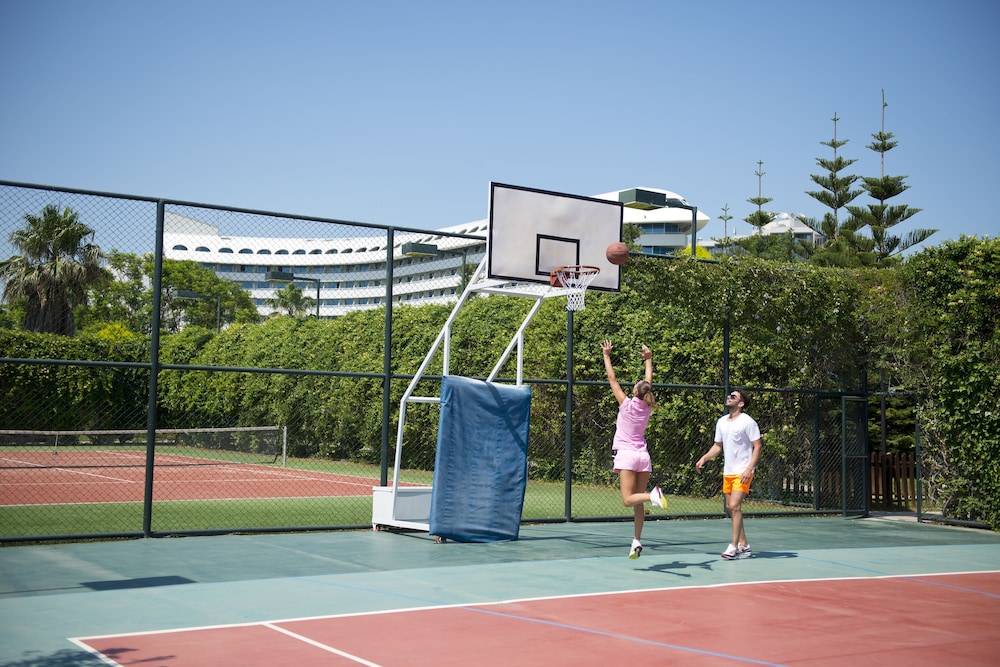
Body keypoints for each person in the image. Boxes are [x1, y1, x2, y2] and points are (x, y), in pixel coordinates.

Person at [601, 339, 667, 559]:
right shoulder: (646, 405)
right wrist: (649, 360)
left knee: (628, 499)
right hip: (643, 457)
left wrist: (607, 355)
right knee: (636, 501)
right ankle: (636, 541)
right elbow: (648, 382)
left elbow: (612, 379)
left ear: (636, 391)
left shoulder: (626, 404)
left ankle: (653, 496)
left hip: (628, 456)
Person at [695, 388, 763, 560]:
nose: (729, 397)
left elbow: (758, 446)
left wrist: (749, 469)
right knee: (731, 508)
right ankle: (745, 546)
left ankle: (733, 546)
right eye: (729, 395)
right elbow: (718, 446)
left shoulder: (748, 422)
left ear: (740, 404)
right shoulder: (722, 422)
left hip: (743, 471)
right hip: (729, 472)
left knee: (734, 506)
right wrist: (705, 458)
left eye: (733, 396)